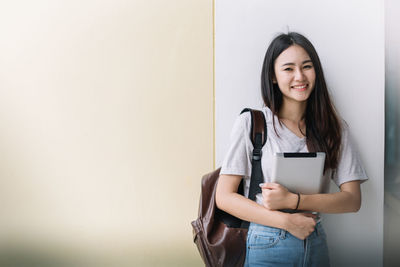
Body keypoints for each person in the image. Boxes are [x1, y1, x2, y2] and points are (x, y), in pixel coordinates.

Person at [215, 32, 368, 267]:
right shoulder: (253, 123)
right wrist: (287, 222)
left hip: (314, 240)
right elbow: (224, 197)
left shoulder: (333, 128)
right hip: (266, 242)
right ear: (273, 77)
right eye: (288, 69)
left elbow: (352, 200)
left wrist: (295, 200)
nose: (300, 76)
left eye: (307, 66)